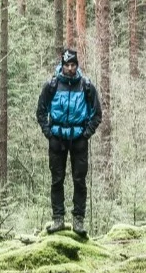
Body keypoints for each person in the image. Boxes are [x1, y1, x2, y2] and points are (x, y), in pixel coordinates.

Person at [34, 48, 102, 234]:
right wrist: (48, 133)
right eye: (67, 65)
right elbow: (40, 111)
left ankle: (78, 221)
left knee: (79, 181)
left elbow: (97, 113)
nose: (70, 68)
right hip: (57, 140)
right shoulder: (52, 85)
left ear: (77, 65)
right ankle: (58, 219)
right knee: (57, 180)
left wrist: (86, 134)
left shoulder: (86, 86)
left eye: (73, 65)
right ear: (62, 65)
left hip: (79, 140)